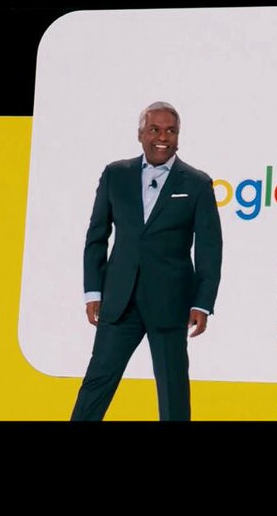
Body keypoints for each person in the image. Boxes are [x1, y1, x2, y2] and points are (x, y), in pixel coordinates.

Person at [71, 101, 222, 421]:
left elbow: (210, 249)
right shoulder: (115, 175)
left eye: (170, 131)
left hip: (170, 302)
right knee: (97, 382)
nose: (162, 137)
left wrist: (202, 302)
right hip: (119, 301)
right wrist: (93, 291)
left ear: (178, 136)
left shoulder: (197, 183)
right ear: (141, 134)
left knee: (173, 391)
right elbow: (96, 236)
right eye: (154, 129)